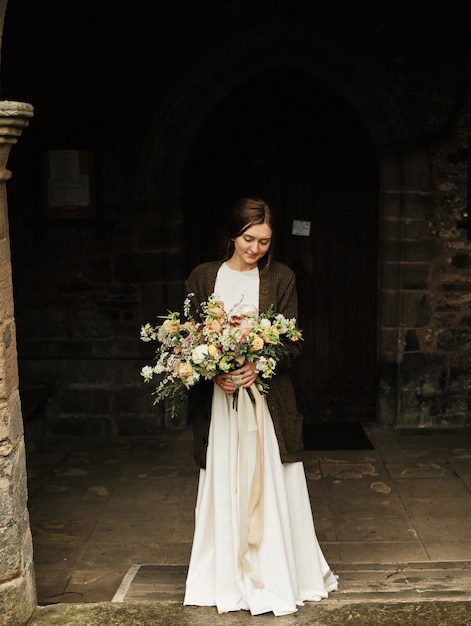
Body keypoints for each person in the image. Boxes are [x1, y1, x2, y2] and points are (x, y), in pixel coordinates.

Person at [182, 197, 338, 616]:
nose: (254, 249)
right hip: (220, 398)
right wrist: (211, 368)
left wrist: (260, 364)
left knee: (270, 478)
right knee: (224, 477)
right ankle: (224, 577)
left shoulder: (282, 277)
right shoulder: (202, 276)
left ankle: (278, 571)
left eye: (264, 242)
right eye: (248, 239)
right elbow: (188, 336)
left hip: (265, 402)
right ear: (233, 234)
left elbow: (291, 341)